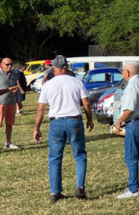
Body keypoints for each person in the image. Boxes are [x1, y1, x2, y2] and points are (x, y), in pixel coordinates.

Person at [33, 55, 94, 203]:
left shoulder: (48, 84)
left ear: (54, 68)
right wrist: (90, 119)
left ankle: (55, 192)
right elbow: (86, 103)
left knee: (55, 157)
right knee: (79, 155)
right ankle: (79, 187)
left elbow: (41, 109)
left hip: (56, 123)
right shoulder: (77, 82)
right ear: (66, 67)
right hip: (74, 121)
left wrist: (37, 128)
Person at [114, 62, 139, 199]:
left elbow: (129, 109)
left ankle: (133, 188)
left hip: (134, 122)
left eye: (123, 71)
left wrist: (119, 121)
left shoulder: (131, 86)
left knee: (131, 156)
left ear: (128, 72)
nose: (122, 73)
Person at [0, 57, 21, 152]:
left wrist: (18, 101)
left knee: (9, 124)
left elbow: (15, 88)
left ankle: (8, 142)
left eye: (11, 64)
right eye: (7, 64)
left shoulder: (14, 73)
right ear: (2, 65)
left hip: (11, 102)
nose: (10, 66)